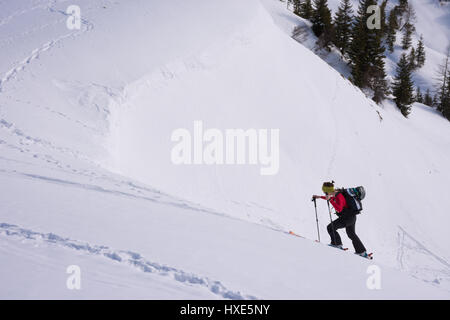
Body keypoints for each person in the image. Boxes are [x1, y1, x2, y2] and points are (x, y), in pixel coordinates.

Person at [313, 181, 369, 257]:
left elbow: (339, 209)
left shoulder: (339, 196)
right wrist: (319, 197)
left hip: (348, 218)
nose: (324, 194)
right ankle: (361, 252)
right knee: (351, 234)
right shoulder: (335, 193)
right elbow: (330, 197)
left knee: (330, 227)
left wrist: (330, 200)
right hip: (351, 217)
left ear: (328, 191)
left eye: (325, 192)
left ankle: (337, 244)